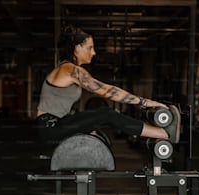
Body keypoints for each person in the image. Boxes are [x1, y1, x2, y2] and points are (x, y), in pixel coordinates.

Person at [36, 25, 181, 149]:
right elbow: (107, 90)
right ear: (77, 48)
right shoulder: (70, 70)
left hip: (56, 124)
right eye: (90, 47)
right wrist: (146, 102)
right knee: (107, 114)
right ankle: (164, 133)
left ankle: (160, 132)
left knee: (102, 113)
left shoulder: (67, 68)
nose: (93, 52)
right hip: (51, 128)